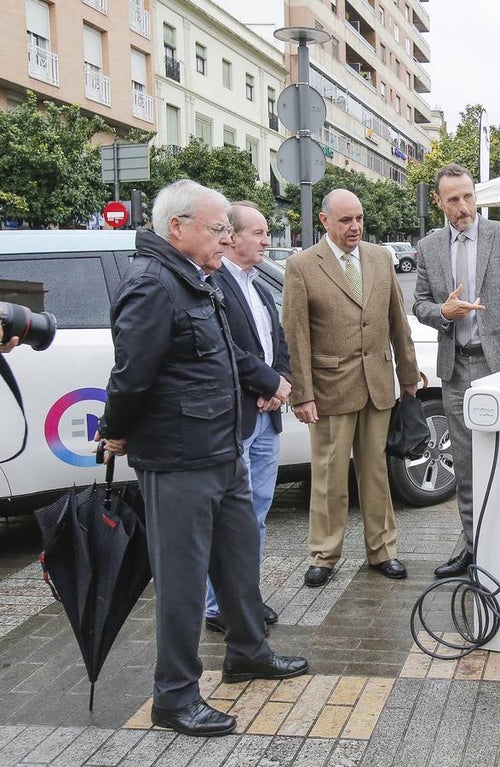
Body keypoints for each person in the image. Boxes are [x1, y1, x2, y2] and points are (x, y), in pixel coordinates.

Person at [98, 179, 307, 737]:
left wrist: (269, 379)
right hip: (178, 461)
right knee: (184, 582)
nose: (225, 237)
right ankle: (174, 696)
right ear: (178, 228)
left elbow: (227, 355)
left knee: (238, 563)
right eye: (217, 229)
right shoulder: (151, 285)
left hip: (223, 451)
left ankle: (247, 653)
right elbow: (131, 377)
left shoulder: (197, 278)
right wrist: (115, 431)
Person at [282, 189, 420, 588]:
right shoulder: (302, 266)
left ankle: (383, 551)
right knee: (329, 474)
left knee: (376, 471)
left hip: (377, 384)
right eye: (345, 220)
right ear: (325, 221)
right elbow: (296, 336)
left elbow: (399, 322)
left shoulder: (380, 258)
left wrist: (408, 375)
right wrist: (302, 393)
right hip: (328, 390)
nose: (355, 226)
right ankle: (324, 555)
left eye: (359, 218)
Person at [413, 163, 500, 579]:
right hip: (456, 368)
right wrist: (443, 313)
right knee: (464, 464)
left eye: (468, 196)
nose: (463, 206)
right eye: (453, 199)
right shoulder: (429, 247)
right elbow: (420, 305)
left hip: (499, 365)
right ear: (439, 202)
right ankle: (474, 548)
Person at [202, 201, 292, 634]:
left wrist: (282, 382)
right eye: (258, 232)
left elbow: (278, 342)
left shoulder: (257, 285)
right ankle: (218, 604)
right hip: (233, 417)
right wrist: (267, 382)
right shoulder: (212, 284)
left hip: (265, 417)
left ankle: (245, 595)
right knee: (227, 515)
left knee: (256, 512)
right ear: (232, 236)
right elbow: (223, 349)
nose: (266, 240)